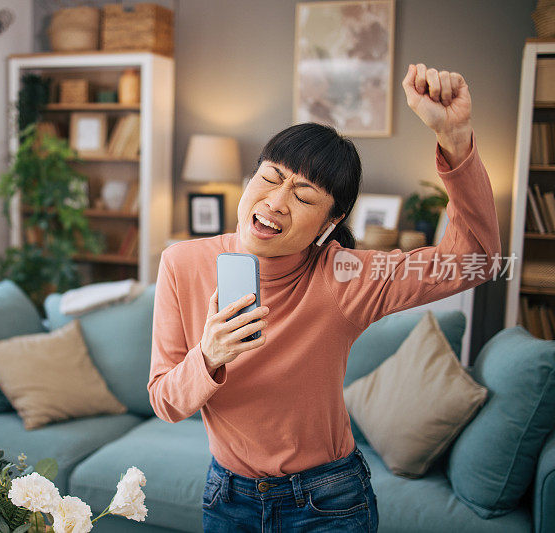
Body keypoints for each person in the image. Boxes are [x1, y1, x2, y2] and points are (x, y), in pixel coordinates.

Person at [147, 63, 501, 533]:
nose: (276, 202)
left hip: (326, 502)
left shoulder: (345, 276)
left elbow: (475, 257)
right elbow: (165, 402)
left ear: (329, 224)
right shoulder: (181, 263)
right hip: (227, 498)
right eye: (270, 178)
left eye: (304, 196)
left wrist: (455, 137)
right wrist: (208, 356)